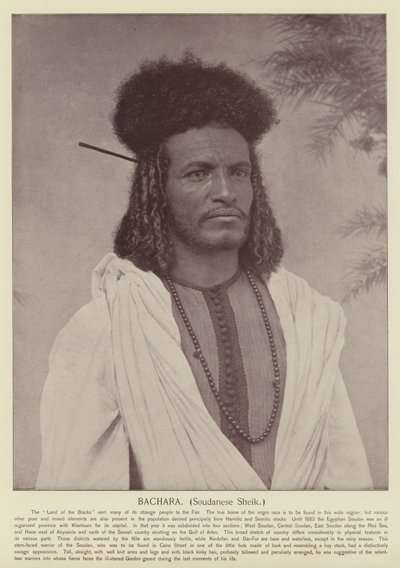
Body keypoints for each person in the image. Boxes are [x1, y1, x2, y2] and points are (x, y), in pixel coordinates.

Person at [36, 55, 372, 491]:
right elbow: (74, 503)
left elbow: (349, 484)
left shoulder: (306, 318)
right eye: (199, 173)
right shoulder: (107, 327)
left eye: (239, 172)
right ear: (156, 190)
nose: (226, 192)